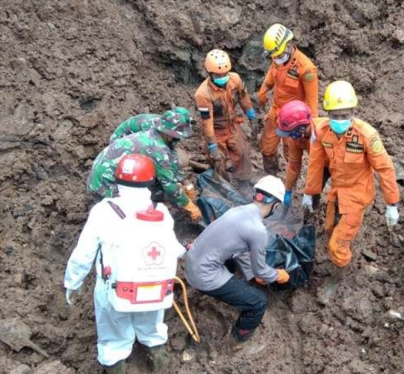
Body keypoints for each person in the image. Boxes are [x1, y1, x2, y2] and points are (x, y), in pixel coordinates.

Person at [64, 154, 186, 374]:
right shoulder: (161, 212)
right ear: (151, 182)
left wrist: (73, 282)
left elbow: (83, 254)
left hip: (115, 289)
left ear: (117, 181)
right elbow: (175, 250)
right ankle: (159, 357)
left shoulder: (103, 211)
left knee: (113, 336)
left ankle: (116, 365)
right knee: (152, 327)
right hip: (155, 288)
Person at [304, 81, 400, 268]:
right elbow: (315, 165)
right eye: (335, 116)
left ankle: (340, 272)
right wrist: (310, 193)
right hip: (338, 189)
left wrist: (392, 204)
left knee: (337, 245)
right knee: (329, 227)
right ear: (328, 114)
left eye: (345, 115)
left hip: (357, 193)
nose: (340, 120)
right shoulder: (322, 131)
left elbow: (385, 169)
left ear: (353, 112)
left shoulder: (366, 135)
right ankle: (337, 241)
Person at [184, 176, 290, 342]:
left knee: (232, 262)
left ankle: (226, 286)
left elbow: (239, 249)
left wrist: (252, 273)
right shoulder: (257, 230)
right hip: (203, 277)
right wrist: (277, 275)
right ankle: (238, 338)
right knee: (258, 303)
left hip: (192, 261)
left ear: (256, 195)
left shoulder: (236, 211)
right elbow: (261, 270)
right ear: (275, 206)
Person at [87, 107, 202, 222]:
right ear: (170, 135)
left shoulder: (155, 131)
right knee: (124, 216)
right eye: (179, 137)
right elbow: (169, 184)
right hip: (104, 182)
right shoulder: (158, 150)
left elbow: (171, 159)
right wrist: (188, 205)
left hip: (109, 166)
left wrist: (183, 181)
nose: (179, 140)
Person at [257, 23, 318, 176]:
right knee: (267, 147)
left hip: (293, 117)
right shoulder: (277, 58)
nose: (275, 58)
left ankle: (291, 183)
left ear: (288, 45)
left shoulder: (306, 68)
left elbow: (312, 101)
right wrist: (264, 90)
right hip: (276, 110)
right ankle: (271, 178)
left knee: (290, 152)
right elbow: (272, 74)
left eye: (277, 54)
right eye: (273, 56)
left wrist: (312, 128)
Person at [194, 49, 254, 192]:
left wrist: (251, 114)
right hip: (215, 130)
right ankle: (224, 188)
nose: (223, 77)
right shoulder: (203, 94)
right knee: (218, 160)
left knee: (242, 152)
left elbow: (243, 97)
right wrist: (212, 144)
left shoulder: (235, 79)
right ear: (210, 73)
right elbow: (207, 122)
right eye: (218, 75)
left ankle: (244, 183)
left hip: (232, 125)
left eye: (225, 74)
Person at [275, 100, 330, 212]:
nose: (290, 137)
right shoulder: (297, 138)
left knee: (338, 198)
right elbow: (294, 165)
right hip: (321, 166)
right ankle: (313, 211)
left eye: (290, 133)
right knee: (313, 192)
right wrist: (288, 190)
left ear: (301, 128)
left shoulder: (325, 131)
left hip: (341, 165)